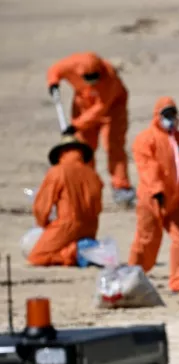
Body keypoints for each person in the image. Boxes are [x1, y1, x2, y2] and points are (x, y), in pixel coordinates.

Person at [127, 97, 179, 294]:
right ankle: (131, 277)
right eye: (166, 115)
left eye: (173, 115)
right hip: (152, 199)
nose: (171, 119)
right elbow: (148, 167)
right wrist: (157, 189)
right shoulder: (145, 139)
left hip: (178, 200)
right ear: (157, 116)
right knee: (146, 240)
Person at [46, 52, 134, 205]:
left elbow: (101, 107)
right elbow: (55, 70)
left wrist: (75, 125)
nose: (92, 83)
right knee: (84, 148)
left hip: (112, 110)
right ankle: (86, 186)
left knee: (114, 147)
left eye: (95, 79)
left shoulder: (109, 76)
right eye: (88, 79)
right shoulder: (71, 64)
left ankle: (121, 187)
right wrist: (53, 83)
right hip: (83, 105)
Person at [27, 134, 102, 267]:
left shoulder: (57, 171)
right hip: (90, 227)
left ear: (62, 153)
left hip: (66, 224)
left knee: (37, 256)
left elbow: (42, 206)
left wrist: (44, 224)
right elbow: (98, 208)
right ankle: (83, 249)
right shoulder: (93, 174)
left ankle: (74, 252)